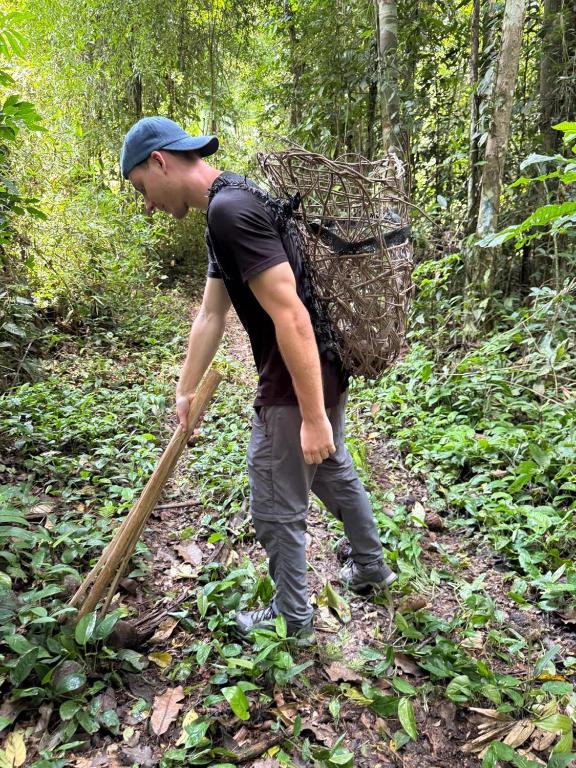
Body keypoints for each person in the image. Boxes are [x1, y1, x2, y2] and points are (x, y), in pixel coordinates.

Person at [120, 116, 397, 645]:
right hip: (323, 368)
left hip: (295, 382)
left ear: (159, 162)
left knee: (275, 505)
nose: (148, 203)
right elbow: (211, 314)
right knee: (334, 472)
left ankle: (293, 621)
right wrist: (184, 389)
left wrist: (312, 417)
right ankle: (371, 569)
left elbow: (290, 313)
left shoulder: (231, 211)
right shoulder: (231, 202)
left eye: (141, 189)